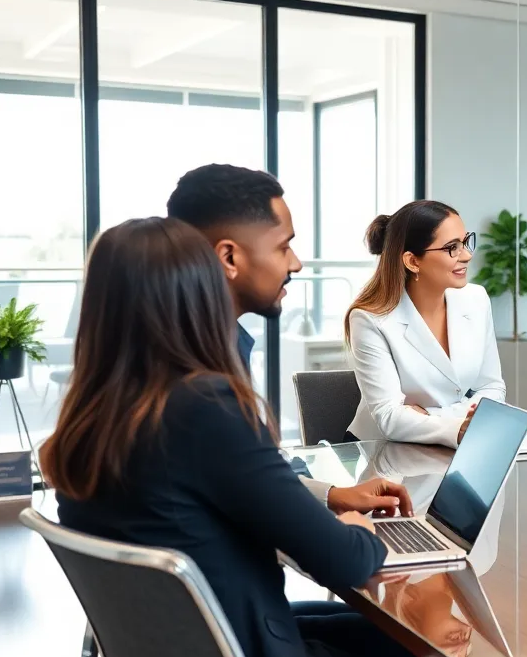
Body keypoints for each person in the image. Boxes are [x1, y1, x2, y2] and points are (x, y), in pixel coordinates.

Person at [41, 218, 475, 657]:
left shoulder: (94, 420)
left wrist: (331, 500)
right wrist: (355, 528)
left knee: (415, 645)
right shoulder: (205, 405)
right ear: (194, 297)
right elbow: (349, 561)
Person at [167, 163, 410, 513]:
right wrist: (355, 536)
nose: (296, 264)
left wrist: (332, 495)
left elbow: (253, 473)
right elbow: (265, 500)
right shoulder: (205, 386)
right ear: (229, 257)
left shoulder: (212, 346)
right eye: (284, 247)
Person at [345, 200, 504, 446]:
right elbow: (389, 417)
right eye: (452, 247)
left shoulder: (476, 299)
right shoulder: (370, 319)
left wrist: (434, 417)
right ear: (412, 261)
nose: (467, 255)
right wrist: (457, 424)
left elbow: (492, 387)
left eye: (465, 241)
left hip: (455, 443)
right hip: (381, 452)